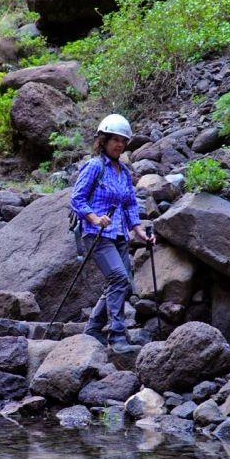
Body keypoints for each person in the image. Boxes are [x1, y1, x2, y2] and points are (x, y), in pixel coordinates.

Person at [71, 114, 155, 354]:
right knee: (119, 278)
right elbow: (76, 198)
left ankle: (93, 328)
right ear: (104, 140)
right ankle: (117, 335)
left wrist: (139, 231)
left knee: (120, 282)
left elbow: (129, 204)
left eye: (122, 140)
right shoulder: (95, 166)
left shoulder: (124, 172)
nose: (119, 144)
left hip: (118, 234)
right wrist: (94, 218)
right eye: (114, 139)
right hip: (96, 234)